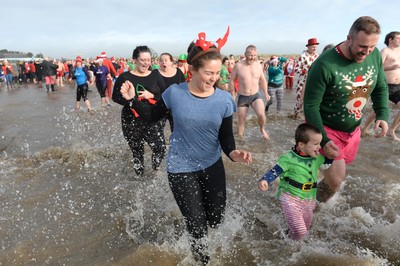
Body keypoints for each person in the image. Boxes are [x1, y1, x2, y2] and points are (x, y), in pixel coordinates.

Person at [118, 29, 252, 264]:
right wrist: (132, 100)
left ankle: (196, 239)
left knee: (215, 219)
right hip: (181, 167)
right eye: (208, 73)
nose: (213, 77)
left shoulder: (223, 100)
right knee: (196, 224)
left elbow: (225, 138)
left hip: (212, 165)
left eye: (217, 73)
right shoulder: (175, 93)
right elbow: (150, 116)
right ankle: (202, 261)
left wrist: (233, 153)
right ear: (192, 70)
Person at [303, 16, 390, 203]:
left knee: (332, 178)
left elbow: (381, 86)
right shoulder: (324, 65)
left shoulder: (374, 56)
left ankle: (306, 198)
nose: (366, 52)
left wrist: (382, 114)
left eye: (372, 47)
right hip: (324, 127)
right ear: (349, 38)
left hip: (352, 130)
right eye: (362, 47)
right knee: (336, 179)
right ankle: (308, 209)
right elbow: (310, 106)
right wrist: (323, 140)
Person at [259, 123, 332, 240]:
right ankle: (287, 248)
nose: (319, 147)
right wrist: (265, 180)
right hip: (290, 198)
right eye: (316, 144)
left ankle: (288, 241)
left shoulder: (316, 157)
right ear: (301, 145)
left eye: (320, 143)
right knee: (300, 231)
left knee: (305, 230)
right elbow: (275, 171)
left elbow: (326, 165)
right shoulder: (288, 158)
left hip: (309, 199)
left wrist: (330, 156)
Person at [112, 46, 166, 176]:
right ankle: (139, 178)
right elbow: (115, 97)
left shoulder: (155, 75)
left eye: (148, 60)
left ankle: (155, 169)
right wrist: (132, 101)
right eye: (143, 60)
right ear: (135, 60)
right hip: (131, 119)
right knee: (137, 151)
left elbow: (165, 94)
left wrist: (152, 95)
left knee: (160, 147)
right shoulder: (125, 76)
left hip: (151, 117)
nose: (146, 63)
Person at [361, 31, 400, 141]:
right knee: (378, 109)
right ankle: (364, 128)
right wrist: (390, 68)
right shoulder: (385, 51)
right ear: (390, 40)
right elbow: (377, 68)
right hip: (385, 85)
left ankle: (391, 130)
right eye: (398, 38)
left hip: (398, 86)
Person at [229, 45, 271, 140]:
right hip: (243, 96)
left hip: (255, 95)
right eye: (250, 55)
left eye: (254, 55)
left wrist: (266, 93)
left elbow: (263, 80)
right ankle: (240, 139)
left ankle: (262, 129)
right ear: (245, 54)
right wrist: (232, 95)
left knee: (261, 115)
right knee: (241, 120)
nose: (252, 57)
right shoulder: (238, 66)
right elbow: (231, 80)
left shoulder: (258, 66)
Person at [158, 52, 185, 132]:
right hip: (160, 105)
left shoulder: (178, 72)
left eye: (166, 60)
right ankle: (160, 144)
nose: (163, 62)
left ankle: (175, 144)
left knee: (176, 129)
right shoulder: (155, 73)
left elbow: (183, 87)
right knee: (157, 130)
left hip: (175, 106)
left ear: (171, 62)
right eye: (161, 60)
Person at [293, 38, 320, 119]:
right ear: (308, 47)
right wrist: (304, 71)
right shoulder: (302, 56)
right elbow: (295, 69)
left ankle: (308, 117)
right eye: (313, 47)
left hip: (314, 82)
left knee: (312, 100)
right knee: (299, 99)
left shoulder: (317, 56)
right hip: (302, 81)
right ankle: (295, 115)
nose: (315, 48)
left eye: (316, 47)